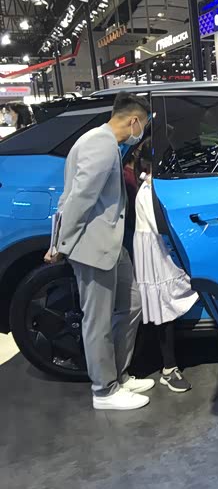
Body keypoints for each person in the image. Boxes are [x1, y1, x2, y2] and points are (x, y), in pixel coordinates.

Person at [45, 92, 152, 411]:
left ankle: (118, 374)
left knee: (131, 304)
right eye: (143, 125)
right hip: (94, 246)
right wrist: (60, 244)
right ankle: (104, 390)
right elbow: (79, 198)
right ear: (134, 121)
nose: (141, 133)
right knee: (98, 320)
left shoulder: (104, 143)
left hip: (111, 244)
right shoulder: (101, 145)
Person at [133, 144, 197, 393]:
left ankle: (169, 365)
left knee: (165, 304)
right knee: (164, 306)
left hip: (157, 248)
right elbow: (161, 227)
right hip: (156, 251)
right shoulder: (149, 191)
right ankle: (169, 369)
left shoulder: (152, 187)